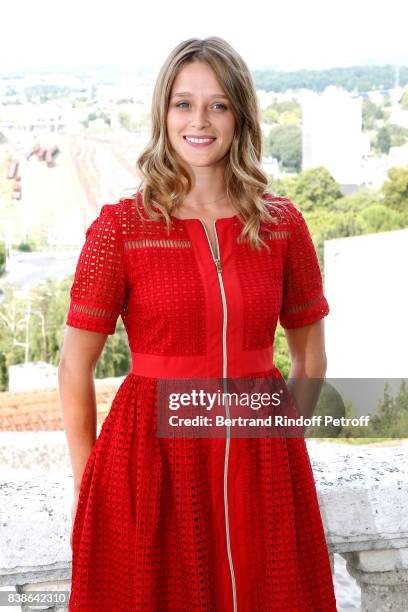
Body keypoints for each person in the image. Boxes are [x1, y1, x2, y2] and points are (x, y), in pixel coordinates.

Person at [58, 36, 337, 611]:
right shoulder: (123, 229)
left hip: (262, 461)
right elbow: (73, 368)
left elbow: (311, 359)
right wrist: (94, 491)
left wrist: (281, 447)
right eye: (184, 103)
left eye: (218, 104)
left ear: (240, 114)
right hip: (153, 459)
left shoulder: (283, 225)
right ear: (164, 114)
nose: (199, 121)